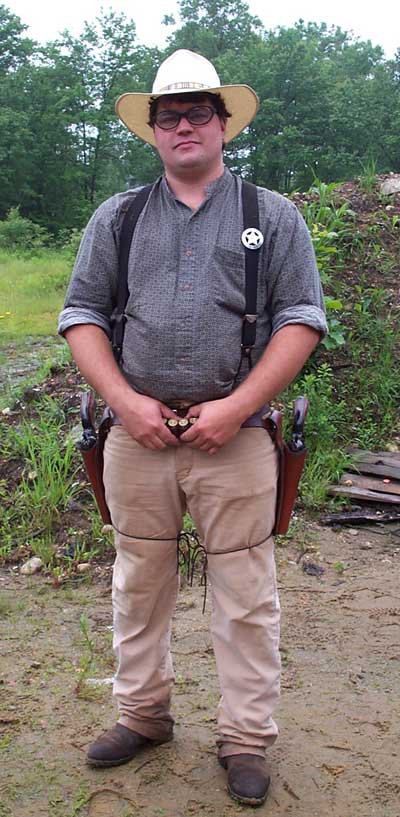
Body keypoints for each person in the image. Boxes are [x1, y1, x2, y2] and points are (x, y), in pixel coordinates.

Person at [58, 49, 327, 806]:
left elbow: (302, 320)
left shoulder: (272, 216)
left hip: (237, 440)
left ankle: (246, 739)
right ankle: (143, 716)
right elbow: (80, 315)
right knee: (137, 583)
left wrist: (238, 407)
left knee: (245, 594)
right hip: (134, 436)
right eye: (168, 115)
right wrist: (126, 401)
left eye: (197, 112)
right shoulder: (118, 217)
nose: (183, 125)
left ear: (223, 123)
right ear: (153, 131)